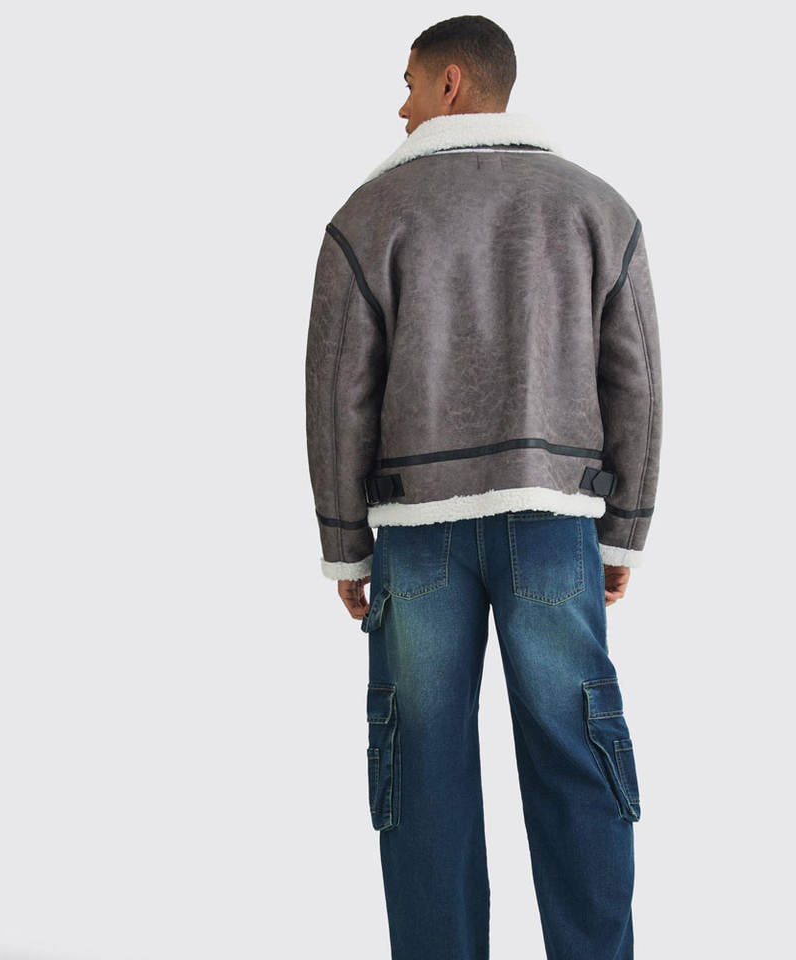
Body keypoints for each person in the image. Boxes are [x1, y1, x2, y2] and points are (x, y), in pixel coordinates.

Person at [304, 14, 662, 960]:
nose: (401, 106)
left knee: (422, 776)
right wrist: (621, 529)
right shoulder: (597, 207)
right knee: (576, 761)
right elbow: (636, 379)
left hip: (417, 534)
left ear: (452, 84)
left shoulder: (369, 214)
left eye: (409, 84)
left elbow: (338, 392)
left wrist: (346, 544)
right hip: (553, 525)